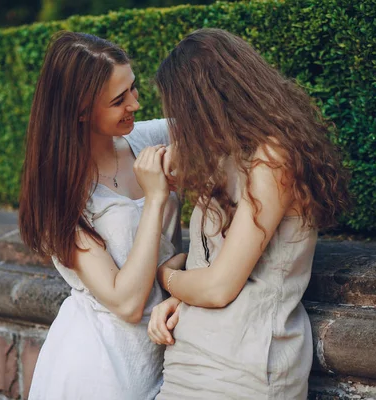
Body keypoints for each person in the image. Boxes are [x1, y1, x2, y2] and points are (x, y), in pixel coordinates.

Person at [148, 28, 350, 399]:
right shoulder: (225, 159)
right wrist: (179, 297)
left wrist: (167, 276)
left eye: (180, 109)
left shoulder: (274, 159)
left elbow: (219, 286)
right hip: (189, 356)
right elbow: (214, 267)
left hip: (244, 365)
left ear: (204, 101)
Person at [18, 31, 183, 400]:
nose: (136, 105)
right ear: (80, 110)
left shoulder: (149, 138)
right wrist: (155, 199)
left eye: (134, 89)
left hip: (171, 359)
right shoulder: (60, 197)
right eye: (118, 100)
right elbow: (126, 302)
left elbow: (229, 125)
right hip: (100, 373)